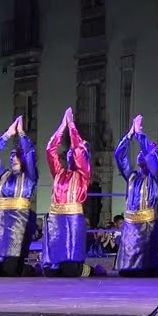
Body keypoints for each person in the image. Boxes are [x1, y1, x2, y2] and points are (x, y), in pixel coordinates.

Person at [42, 107, 103, 277]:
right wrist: (62, 126)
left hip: (73, 221)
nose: (71, 153)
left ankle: (93, 271)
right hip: (56, 220)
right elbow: (50, 150)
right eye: (69, 152)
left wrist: (72, 126)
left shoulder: (83, 174)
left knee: (70, 270)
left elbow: (77, 151)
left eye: (77, 152)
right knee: (51, 271)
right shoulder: (59, 173)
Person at [0, 115, 39, 277]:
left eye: (16, 156)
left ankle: (30, 269)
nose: (13, 158)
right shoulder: (4, 174)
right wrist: (8, 134)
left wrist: (21, 133)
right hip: (0, 223)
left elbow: (29, 153)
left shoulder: (30, 177)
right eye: (11, 156)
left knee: (9, 270)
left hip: (19, 224)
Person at [113, 114, 158, 277]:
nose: (140, 155)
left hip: (146, 227)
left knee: (145, 271)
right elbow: (119, 157)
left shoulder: (155, 176)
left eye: (143, 153)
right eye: (139, 153)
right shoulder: (132, 176)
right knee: (126, 271)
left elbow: (149, 156)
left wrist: (140, 135)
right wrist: (130, 135)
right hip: (130, 227)